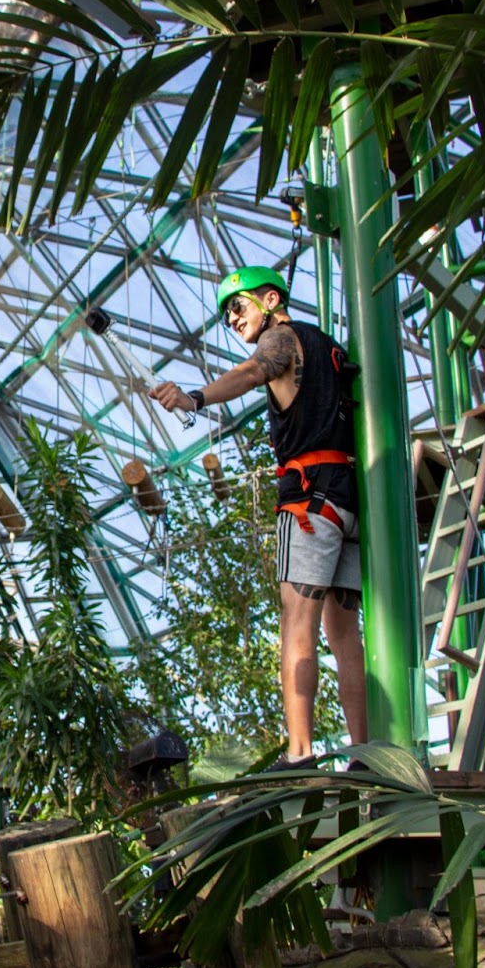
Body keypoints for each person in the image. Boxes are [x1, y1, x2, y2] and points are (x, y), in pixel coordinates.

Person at [151, 265, 367, 767]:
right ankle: (363, 752)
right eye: (227, 312)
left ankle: (299, 753)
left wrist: (194, 397)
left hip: (309, 503)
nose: (232, 318)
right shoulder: (328, 347)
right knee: (344, 636)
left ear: (271, 299)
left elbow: (254, 372)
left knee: (296, 624)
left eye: (239, 305)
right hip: (346, 500)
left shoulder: (283, 340)